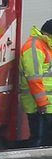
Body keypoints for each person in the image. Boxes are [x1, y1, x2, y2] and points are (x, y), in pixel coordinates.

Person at [19, 19, 52, 148]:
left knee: (45, 141)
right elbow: (34, 78)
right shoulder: (35, 47)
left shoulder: (45, 45)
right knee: (39, 141)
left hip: (46, 106)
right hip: (39, 106)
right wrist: (42, 103)